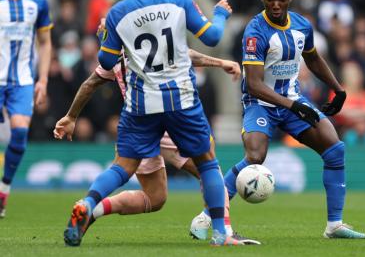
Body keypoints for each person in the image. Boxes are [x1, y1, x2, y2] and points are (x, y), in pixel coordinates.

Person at [62, 0, 248, 247]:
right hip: (181, 100)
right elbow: (213, 38)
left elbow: (106, 62)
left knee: (122, 167)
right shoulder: (178, 0)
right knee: (207, 163)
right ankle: (221, 233)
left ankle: (88, 202)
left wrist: (109, 35)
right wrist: (220, 15)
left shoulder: (119, 13)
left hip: (141, 104)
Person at [190, 0, 365, 240]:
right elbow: (254, 84)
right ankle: (207, 216)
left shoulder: (301, 26)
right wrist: (294, 106)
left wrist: (338, 88)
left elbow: (314, 58)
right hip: (260, 103)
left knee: (334, 149)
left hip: (292, 101)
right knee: (255, 156)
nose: (275, 4)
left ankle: (335, 225)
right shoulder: (255, 31)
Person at [53, 37, 249, 241]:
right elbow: (191, 50)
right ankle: (223, 231)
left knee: (153, 197)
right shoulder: (154, 34)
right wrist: (220, 62)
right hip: (170, 119)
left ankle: (90, 208)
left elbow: (90, 83)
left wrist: (71, 116)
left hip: (137, 123)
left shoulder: (116, 57)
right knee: (209, 168)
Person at [0, 0, 52, 218]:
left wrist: (42, 79)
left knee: (20, 134)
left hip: (21, 81)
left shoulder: (38, 1)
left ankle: (3, 191)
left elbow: (45, 43)